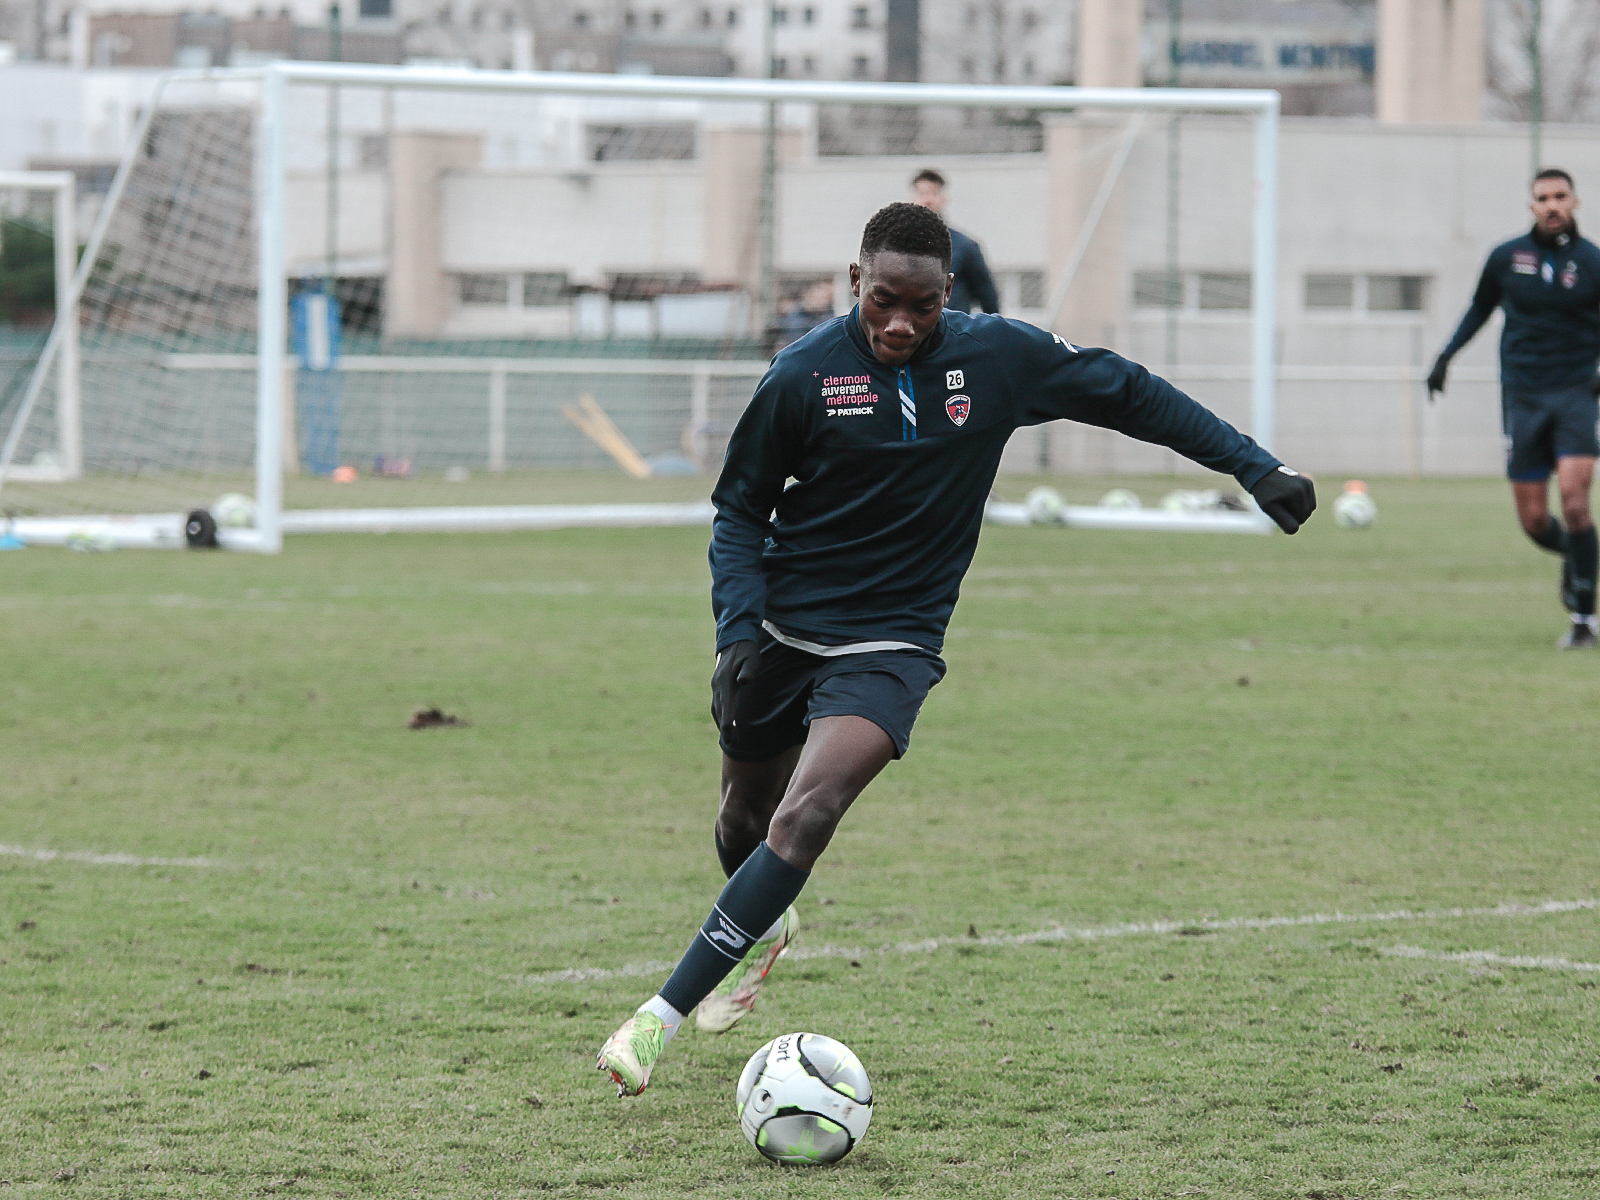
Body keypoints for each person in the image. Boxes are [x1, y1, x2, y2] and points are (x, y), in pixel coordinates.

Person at [596, 202, 1316, 1097]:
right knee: (745, 821)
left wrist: (1253, 464)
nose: (902, 323)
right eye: (885, 302)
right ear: (855, 283)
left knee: (806, 815)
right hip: (780, 629)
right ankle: (765, 924)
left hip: (895, 639)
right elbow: (740, 510)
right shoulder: (801, 375)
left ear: (948, 296)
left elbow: (1127, 392)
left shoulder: (998, 356)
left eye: (923, 307)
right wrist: (737, 633)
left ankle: (655, 1020)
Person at [1428, 168, 1600, 649]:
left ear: (1575, 202)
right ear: (1531, 207)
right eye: (1542, 198)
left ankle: (1584, 619)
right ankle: (1577, 554)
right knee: (1534, 521)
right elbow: (1479, 308)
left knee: (1574, 499)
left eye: (1559, 197)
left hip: (1575, 395)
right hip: (1522, 396)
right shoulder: (1507, 258)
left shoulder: (1593, 262)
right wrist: (1445, 357)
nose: (1551, 205)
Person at [911, 168, 1000, 315]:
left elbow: (987, 295)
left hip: (951, 331)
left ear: (944, 198)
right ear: (912, 197)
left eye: (934, 193)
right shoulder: (898, 245)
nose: (928, 199)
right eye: (922, 193)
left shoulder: (965, 246)